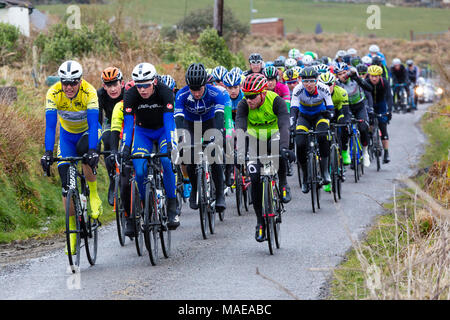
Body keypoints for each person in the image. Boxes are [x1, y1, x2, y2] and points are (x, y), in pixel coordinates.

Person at [41, 60, 102, 255]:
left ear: (80, 80)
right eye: (64, 82)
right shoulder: (53, 93)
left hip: (87, 133)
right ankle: (72, 233)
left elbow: (94, 125)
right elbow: (51, 127)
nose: (68, 87)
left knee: (86, 154)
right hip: (67, 138)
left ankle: (93, 194)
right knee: (66, 185)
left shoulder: (89, 92)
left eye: (73, 83)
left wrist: (93, 150)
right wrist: (48, 153)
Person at [235, 73, 294, 242]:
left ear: (263, 93)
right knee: (254, 178)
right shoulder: (243, 105)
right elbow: (240, 128)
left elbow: (284, 125)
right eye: (246, 96)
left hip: (275, 135)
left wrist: (285, 147)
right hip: (254, 139)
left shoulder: (276, 101)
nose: (249, 100)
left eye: (252, 96)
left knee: (279, 152)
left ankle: (283, 184)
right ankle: (260, 222)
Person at [122, 62, 179, 230]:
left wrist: (171, 144)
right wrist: (125, 147)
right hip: (143, 133)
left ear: (154, 81)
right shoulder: (130, 95)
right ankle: (144, 204)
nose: (142, 90)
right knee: (139, 169)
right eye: (139, 86)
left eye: (146, 85)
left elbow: (169, 121)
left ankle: (171, 205)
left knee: (168, 163)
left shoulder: (165, 91)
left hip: (163, 131)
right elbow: (128, 124)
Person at [174, 63, 228, 213]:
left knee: (214, 156)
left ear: (205, 84)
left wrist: (217, 136)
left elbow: (219, 117)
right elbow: (178, 120)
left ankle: (219, 195)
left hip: (210, 124)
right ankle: (194, 189)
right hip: (190, 125)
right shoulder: (181, 95)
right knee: (189, 157)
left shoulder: (215, 93)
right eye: (193, 89)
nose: (196, 93)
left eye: (199, 89)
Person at [290, 67, 335, 194]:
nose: (308, 84)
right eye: (305, 81)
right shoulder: (298, 90)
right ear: (301, 81)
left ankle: (325, 171)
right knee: (299, 143)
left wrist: (329, 115)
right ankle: (305, 177)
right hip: (304, 117)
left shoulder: (323, 88)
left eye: (311, 81)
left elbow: (331, 109)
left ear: (316, 81)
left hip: (320, 116)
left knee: (322, 136)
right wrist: (292, 125)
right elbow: (293, 110)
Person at [109, 80, 136, 236]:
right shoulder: (119, 107)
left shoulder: (142, 106)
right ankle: (128, 217)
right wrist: (113, 151)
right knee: (125, 183)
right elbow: (114, 131)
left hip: (145, 142)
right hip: (126, 145)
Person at [352, 65, 393, 164]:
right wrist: (368, 109)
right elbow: (365, 96)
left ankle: (386, 152)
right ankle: (369, 138)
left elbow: (389, 97)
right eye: (372, 76)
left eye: (376, 76)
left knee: (383, 127)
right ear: (368, 75)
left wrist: (389, 111)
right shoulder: (366, 82)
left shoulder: (384, 82)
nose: (374, 78)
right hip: (369, 103)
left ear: (380, 76)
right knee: (369, 124)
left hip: (381, 103)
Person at [318, 72, 351, 191]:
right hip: (323, 115)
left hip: (338, 113)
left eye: (330, 84)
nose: (327, 87)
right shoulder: (318, 95)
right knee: (324, 144)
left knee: (344, 127)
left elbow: (346, 112)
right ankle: (326, 174)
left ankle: (344, 151)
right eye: (324, 84)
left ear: (334, 84)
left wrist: (345, 122)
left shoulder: (341, 92)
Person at [335, 62, 371, 168]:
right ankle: (346, 150)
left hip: (359, 106)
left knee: (363, 128)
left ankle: (365, 153)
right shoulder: (336, 84)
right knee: (345, 128)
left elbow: (368, 88)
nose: (343, 76)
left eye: (344, 73)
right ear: (337, 76)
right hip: (347, 107)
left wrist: (357, 78)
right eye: (340, 74)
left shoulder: (355, 79)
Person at [98, 67, 125, 206]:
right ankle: (112, 179)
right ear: (104, 86)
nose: (113, 89)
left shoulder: (128, 92)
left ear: (122, 83)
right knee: (106, 139)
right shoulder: (100, 95)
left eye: (115, 84)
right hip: (110, 122)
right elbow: (98, 119)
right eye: (109, 86)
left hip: (126, 122)